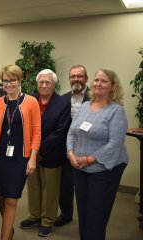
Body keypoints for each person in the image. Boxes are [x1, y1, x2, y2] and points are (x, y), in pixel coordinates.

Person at [66, 68, 128, 240]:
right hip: (79, 167)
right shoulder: (85, 106)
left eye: (104, 81)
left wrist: (89, 159)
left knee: (96, 215)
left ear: (112, 86)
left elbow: (115, 143)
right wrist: (71, 154)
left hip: (104, 169)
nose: (98, 83)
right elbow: (71, 132)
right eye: (97, 80)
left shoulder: (116, 111)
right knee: (84, 212)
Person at [0, 64, 41, 240]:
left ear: (19, 81)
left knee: (11, 199)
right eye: (5, 81)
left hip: (19, 158)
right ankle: (8, 228)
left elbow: (37, 133)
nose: (8, 84)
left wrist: (32, 159)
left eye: (12, 80)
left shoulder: (31, 102)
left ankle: (6, 236)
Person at [19, 69, 71, 237]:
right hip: (31, 154)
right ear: (37, 84)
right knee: (33, 186)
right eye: (41, 82)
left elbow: (60, 131)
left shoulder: (63, 103)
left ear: (54, 84)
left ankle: (48, 220)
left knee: (50, 189)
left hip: (52, 153)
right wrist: (32, 150)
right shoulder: (29, 99)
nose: (44, 85)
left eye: (47, 82)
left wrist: (39, 150)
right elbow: (23, 124)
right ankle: (34, 216)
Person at [55, 64, 90, 227]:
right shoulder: (63, 99)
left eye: (79, 76)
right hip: (66, 149)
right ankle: (66, 214)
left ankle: (87, 217)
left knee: (87, 188)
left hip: (89, 150)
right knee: (66, 186)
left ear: (86, 79)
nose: (76, 79)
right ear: (69, 79)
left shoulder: (95, 96)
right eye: (73, 76)